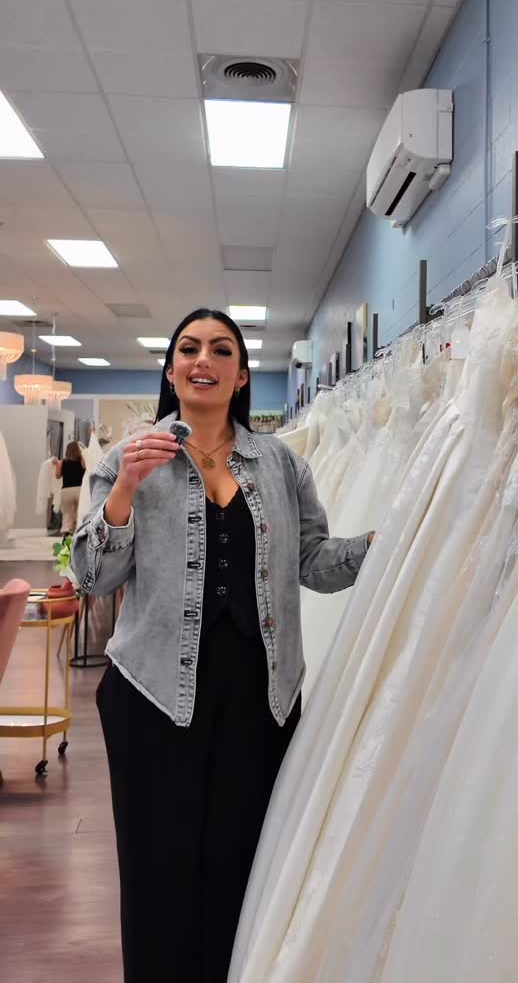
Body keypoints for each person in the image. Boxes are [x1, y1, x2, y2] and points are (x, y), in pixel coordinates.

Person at [71, 308, 374, 983]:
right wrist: (124, 492)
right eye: (188, 349)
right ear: (171, 371)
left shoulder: (282, 465)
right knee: (157, 875)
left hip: (260, 700)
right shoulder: (129, 459)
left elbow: (313, 561)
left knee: (243, 867)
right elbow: (92, 576)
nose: (202, 359)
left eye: (220, 350)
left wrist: (382, 547)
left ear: (240, 376)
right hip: (153, 696)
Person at [54, 440, 85, 536]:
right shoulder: (82, 461)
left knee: (67, 515)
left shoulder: (63, 462)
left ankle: (67, 534)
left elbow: (57, 476)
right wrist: (83, 455)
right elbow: (87, 470)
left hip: (66, 491)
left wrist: (57, 464)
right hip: (79, 490)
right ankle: (78, 535)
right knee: (79, 514)